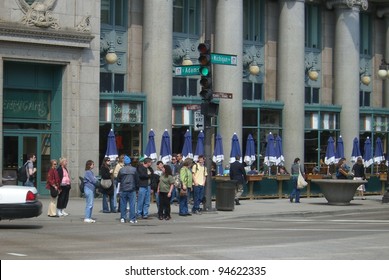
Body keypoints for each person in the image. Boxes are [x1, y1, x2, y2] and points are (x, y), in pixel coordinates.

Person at [117, 156, 139, 224]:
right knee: (132, 204)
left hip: (123, 188)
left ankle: (123, 218)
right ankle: (132, 218)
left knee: (123, 204)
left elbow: (118, 179)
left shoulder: (121, 170)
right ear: (130, 163)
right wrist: (137, 189)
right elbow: (137, 180)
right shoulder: (134, 170)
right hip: (132, 188)